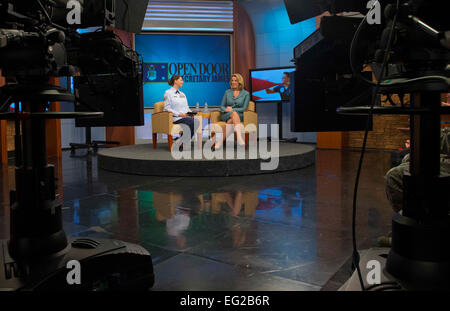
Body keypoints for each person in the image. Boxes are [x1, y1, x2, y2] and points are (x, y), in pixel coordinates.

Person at [215, 73, 250, 149]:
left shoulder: (246, 94)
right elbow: (222, 106)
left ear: (240, 82)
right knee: (233, 114)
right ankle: (239, 138)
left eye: (235, 80)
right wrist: (226, 109)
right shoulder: (227, 92)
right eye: (232, 80)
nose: (233, 82)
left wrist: (232, 109)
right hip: (226, 115)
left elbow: (244, 108)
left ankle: (219, 142)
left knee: (230, 121)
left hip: (239, 115)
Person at [163, 74, 200, 140]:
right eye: (181, 80)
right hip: (176, 118)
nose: (182, 82)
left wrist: (191, 113)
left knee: (196, 121)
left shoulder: (182, 94)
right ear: (175, 81)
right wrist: (179, 114)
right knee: (193, 122)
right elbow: (167, 108)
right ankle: (183, 141)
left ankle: (181, 140)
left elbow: (186, 107)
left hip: (185, 117)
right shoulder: (168, 93)